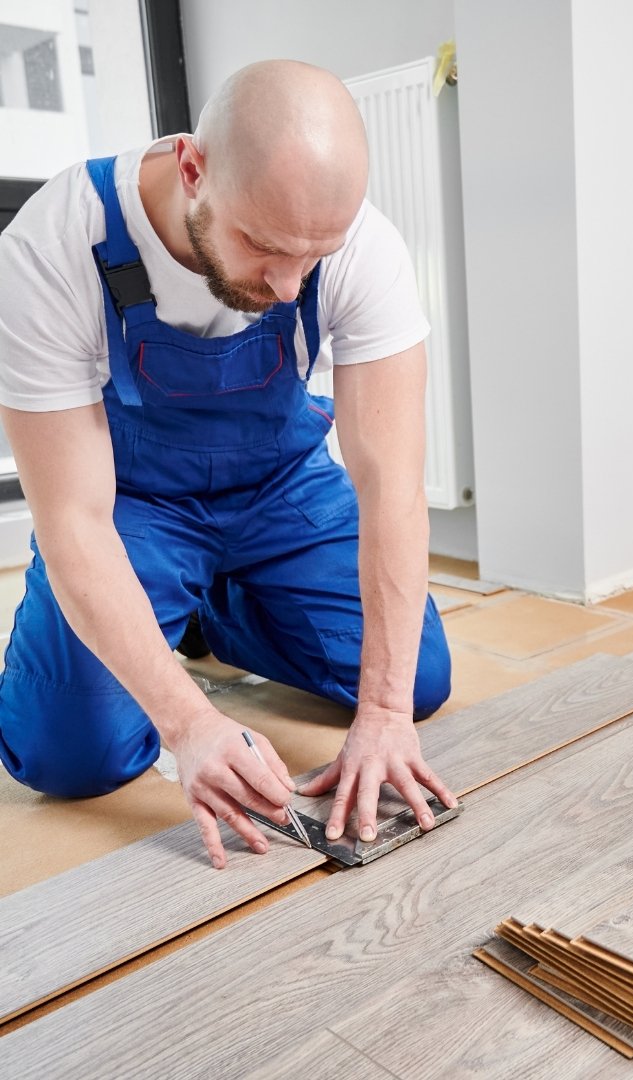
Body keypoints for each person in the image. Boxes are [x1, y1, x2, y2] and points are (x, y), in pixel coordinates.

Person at [0, 59, 457, 869]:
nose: (288, 288)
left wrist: (383, 712)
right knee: (69, 758)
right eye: (264, 248)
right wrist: (190, 726)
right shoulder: (49, 249)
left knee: (414, 681)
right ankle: (167, 610)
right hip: (131, 508)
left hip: (280, 490)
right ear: (192, 169)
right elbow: (72, 517)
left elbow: (390, 482)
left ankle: (209, 616)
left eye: (312, 259)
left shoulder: (362, 247)